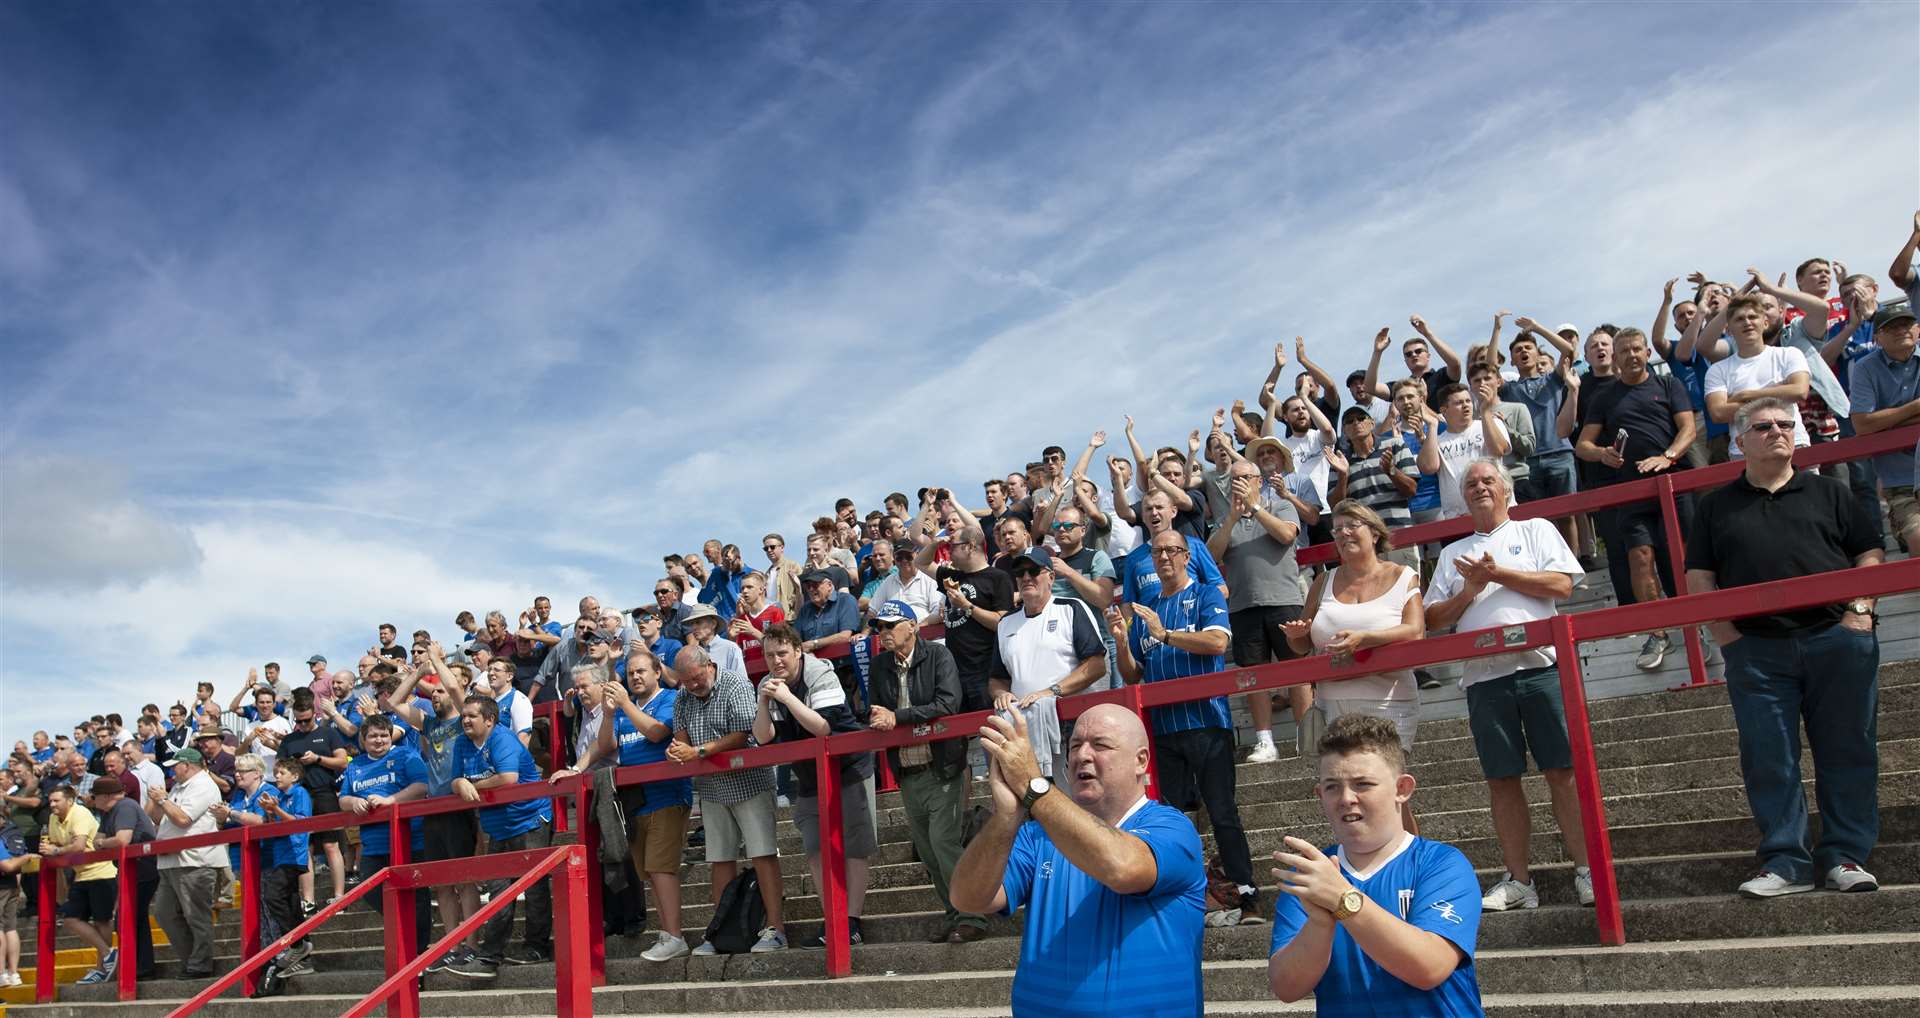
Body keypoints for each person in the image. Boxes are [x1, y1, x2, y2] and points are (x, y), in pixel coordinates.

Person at [1685, 398, 1887, 897]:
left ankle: (1845, 856)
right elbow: (1699, 577)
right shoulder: (1715, 505)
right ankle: (1786, 863)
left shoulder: (1831, 492)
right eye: (1764, 426)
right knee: (1768, 757)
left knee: (1849, 750)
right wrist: (1727, 636)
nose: (1777, 432)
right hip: (1757, 651)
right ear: (1740, 441)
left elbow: (1871, 552)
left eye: (1785, 425)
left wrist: (1859, 610)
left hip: (1836, 640)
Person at [949, 705, 1207, 1018]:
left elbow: (1121, 868)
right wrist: (1006, 816)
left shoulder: (1173, 828)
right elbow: (968, 898)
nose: (1082, 755)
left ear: (1140, 761)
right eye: (1074, 746)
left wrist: (1034, 785)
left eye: (1100, 745)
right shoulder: (1036, 836)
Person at [1424, 459, 1593, 911]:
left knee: (1563, 772)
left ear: (1505, 489)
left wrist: (1498, 574)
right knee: (1501, 780)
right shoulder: (1450, 553)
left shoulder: (1535, 529)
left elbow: (1562, 584)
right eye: (1471, 483)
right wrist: (1470, 588)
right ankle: (1519, 881)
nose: (1479, 487)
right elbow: (1433, 618)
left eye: (1488, 480)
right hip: (1484, 678)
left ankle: (1587, 870)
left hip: (1542, 668)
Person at [1267, 714, 1484, 1015]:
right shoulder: (1311, 876)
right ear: (1319, 795)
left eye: (1363, 784)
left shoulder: (1442, 864)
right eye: (1332, 787)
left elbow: (1429, 968)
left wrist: (1344, 901)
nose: (1346, 798)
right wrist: (1319, 923)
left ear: (1402, 789)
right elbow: (1286, 988)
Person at [1108, 529, 1261, 926]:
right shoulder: (1145, 610)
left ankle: (1247, 894)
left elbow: (1216, 644)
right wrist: (1123, 643)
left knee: (1223, 812)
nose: (1164, 558)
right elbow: (1132, 675)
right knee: (1173, 817)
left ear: (1187, 556)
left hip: (1207, 721)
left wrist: (1166, 634)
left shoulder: (1207, 594)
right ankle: (1185, 893)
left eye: (1172, 551)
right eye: (1157, 552)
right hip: (1164, 729)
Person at [1281, 500, 1426, 832]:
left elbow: (1415, 631)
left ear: (1374, 533)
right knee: (1352, 798)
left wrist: (1365, 639)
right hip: (1335, 703)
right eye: (1337, 529)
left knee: (1387, 795)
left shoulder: (1403, 575)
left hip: (1389, 699)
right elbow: (1303, 646)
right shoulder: (1324, 581)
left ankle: (1412, 869)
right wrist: (1298, 635)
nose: (1343, 533)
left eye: (1351, 526)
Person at [1573, 327, 1699, 669]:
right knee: (1640, 558)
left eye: (1637, 350)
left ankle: (1696, 625)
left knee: (1683, 557)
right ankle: (1657, 635)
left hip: (1673, 484)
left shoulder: (1668, 384)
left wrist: (1668, 456)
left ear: (1647, 353)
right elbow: (1582, 445)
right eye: (1624, 350)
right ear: (1615, 356)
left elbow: (1688, 428)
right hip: (1629, 489)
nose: (1631, 355)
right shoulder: (1604, 396)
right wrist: (1603, 455)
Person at [866, 600, 984, 943]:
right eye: (879, 627)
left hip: (942, 766)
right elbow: (874, 710)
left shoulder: (938, 656)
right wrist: (884, 717)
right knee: (929, 851)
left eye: (890, 625)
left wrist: (897, 717)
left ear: (913, 626)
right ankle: (954, 912)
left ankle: (973, 915)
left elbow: (948, 703)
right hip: (906, 769)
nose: (884, 633)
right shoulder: (878, 666)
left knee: (943, 843)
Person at [754, 624, 878, 946]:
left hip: (849, 768)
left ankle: (851, 921)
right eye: (769, 655)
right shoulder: (769, 684)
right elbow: (763, 737)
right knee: (814, 849)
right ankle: (833, 918)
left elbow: (824, 729)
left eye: (782, 653)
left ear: (798, 651)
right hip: (809, 777)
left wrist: (785, 698)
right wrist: (766, 702)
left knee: (853, 848)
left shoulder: (821, 673)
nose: (776, 661)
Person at [670, 645, 788, 955]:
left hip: (749, 781)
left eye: (696, 678)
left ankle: (776, 927)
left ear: (709, 665)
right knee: (720, 858)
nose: (693, 685)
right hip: (711, 786)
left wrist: (698, 751)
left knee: (762, 853)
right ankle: (720, 931)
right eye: (686, 681)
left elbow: (743, 732)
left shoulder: (736, 683)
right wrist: (678, 749)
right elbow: (681, 734)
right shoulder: (683, 695)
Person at [1208, 455, 1308, 763]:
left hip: (1284, 599)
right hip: (1243, 605)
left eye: (1243, 478)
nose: (1236, 484)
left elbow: (1287, 534)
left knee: (1298, 671)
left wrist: (1255, 508)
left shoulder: (1280, 505)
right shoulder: (1225, 519)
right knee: (1252, 675)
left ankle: (1307, 737)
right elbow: (1211, 556)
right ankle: (1265, 741)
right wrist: (1233, 519)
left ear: (1257, 481)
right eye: (1232, 479)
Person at [447, 694, 555, 977]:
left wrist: (473, 785)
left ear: (490, 719)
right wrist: (459, 782)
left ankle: (537, 947)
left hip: (530, 819)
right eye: (463, 716)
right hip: (498, 826)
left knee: (534, 887)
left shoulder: (502, 738)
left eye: (472, 716)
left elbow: (509, 778)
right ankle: (490, 956)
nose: (466, 720)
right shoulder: (461, 742)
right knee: (497, 891)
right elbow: (455, 780)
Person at [990, 548, 1109, 779]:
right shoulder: (1005, 623)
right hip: (1024, 726)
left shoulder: (1071, 607)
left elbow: (1096, 665)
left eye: (1033, 571)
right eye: (1020, 572)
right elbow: (997, 677)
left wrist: (1051, 692)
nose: (1026, 578)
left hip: (1069, 721)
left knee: (1075, 798)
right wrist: (1000, 693)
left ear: (1051, 577)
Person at [337, 715, 431, 950]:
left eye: (384, 735)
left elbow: (422, 786)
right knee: (369, 888)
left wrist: (391, 800)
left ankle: (418, 952)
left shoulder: (405, 755)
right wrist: (353, 802)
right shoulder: (355, 765)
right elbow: (342, 799)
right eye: (373, 736)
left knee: (417, 897)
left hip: (409, 838)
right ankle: (403, 930)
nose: (379, 740)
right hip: (374, 843)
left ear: (391, 737)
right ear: (363, 739)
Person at [1849, 303, 1920, 555]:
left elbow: (1871, 422)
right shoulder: (1865, 367)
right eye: (1891, 327)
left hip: (1899, 479)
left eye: (1906, 324)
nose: (1901, 330)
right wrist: (1915, 408)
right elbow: (1862, 424)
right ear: (1877, 337)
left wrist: (1887, 422)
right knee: (1919, 539)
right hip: (1900, 486)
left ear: (1918, 329)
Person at [146, 747, 223, 978]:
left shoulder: (203, 785)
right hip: (171, 860)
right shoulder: (179, 787)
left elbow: (182, 819)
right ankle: (192, 960)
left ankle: (199, 964)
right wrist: (156, 801)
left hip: (194, 859)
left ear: (187, 765)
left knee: (195, 914)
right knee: (163, 913)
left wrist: (163, 799)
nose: (171, 773)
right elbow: (157, 818)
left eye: (175, 767)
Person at [1703, 294, 1814, 454]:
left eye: (1753, 317)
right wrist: (1779, 392)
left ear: (1765, 323)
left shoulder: (1789, 354)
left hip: (1794, 443)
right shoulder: (1717, 370)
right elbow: (1719, 413)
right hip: (1744, 453)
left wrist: (1744, 395)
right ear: (1729, 329)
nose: (1747, 322)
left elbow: (1800, 391)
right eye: (1739, 319)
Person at [275, 688, 350, 913]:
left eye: (307, 720)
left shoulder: (328, 733)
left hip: (324, 792)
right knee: (304, 848)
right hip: (299, 795)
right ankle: (308, 900)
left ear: (314, 714)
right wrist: (294, 765)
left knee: (330, 844)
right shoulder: (290, 739)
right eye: (299, 721)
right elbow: (279, 768)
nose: (303, 725)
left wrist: (318, 758)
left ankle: (339, 897)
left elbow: (342, 762)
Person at [44, 785, 119, 984]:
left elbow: (77, 846)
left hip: (101, 873)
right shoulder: (52, 819)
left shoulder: (81, 813)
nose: (52, 805)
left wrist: (55, 851)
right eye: (50, 801)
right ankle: (107, 954)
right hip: (80, 874)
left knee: (102, 920)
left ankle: (102, 968)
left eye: (56, 801)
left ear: (69, 801)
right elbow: (55, 844)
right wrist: (53, 850)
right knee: (70, 919)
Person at [937, 527, 1016, 714]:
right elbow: (921, 562)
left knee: (990, 730)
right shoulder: (953, 576)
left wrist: (967, 606)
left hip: (985, 672)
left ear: (970, 546)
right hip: (954, 673)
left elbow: (1001, 623)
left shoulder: (998, 577)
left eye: (952, 546)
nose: (948, 551)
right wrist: (935, 542)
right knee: (959, 733)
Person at [90, 775, 159, 981]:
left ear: (107, 796)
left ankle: (141, 967)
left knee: (129, 918)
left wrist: (103, 844)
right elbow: (97, 840)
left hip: (143, 870)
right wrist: (102, 843)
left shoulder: (125, 807)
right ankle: (140, 966)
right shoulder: (109, 812)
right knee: (130, 917)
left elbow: (122, 839)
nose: (93, 801)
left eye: (96, 797)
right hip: (130, 871)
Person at [1419, 382, 1512, 520]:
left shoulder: (1492, 423)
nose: (1466, 405)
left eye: (1468, 401)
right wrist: (1432, 425)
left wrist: (1485, 411)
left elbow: (1498, 451)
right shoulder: (1436, 440)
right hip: (1457, 518)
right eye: (1458, 403)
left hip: (1497, 511)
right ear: (1444, 410)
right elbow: (1428, 467)